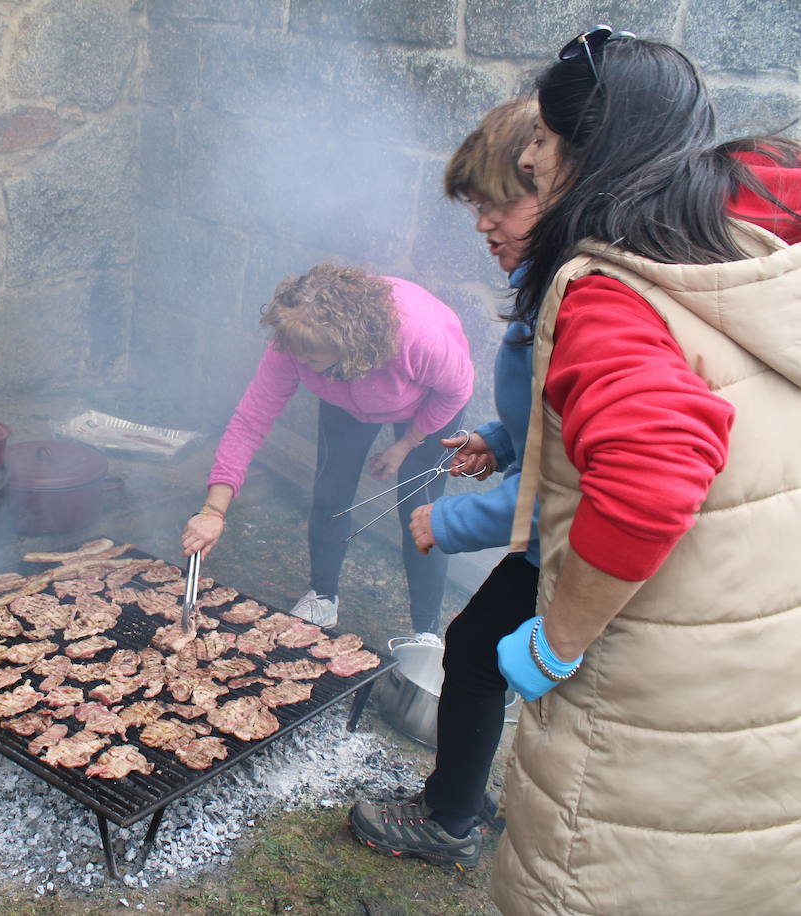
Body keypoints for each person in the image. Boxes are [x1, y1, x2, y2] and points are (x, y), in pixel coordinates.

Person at [489, 30, 800, 915]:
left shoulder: (613, 291)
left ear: (589, 149)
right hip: (760, 668)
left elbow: (653, 475)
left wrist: (560, 637)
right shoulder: (745, 250)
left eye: (542, 140)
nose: (529, 157)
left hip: (662, 690)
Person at [348, 98, 544, 868]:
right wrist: (497, 439)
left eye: (499, 203)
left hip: (577, 543)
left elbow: (578, 472)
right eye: (475, 207)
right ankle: (461, 796)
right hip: (561, 539)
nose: (481, 224)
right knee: (475, 652)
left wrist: (450, 524)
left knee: (472, 651)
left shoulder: (585, 294)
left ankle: (448, 818)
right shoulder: (548, 285)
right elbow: (551, 422)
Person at [180, 262, 473, 635]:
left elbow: (457, 390)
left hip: (428, 404)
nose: (300, 364)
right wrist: (213, 510)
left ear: (345, 347)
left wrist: (405, 444)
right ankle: (322, 598)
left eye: (310, 359)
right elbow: (250, 420)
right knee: (331, 488)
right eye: (297, 355)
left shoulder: (420, 339)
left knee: (420, 504)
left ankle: (427, 629)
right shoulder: (294, 345)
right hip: (347, 397)